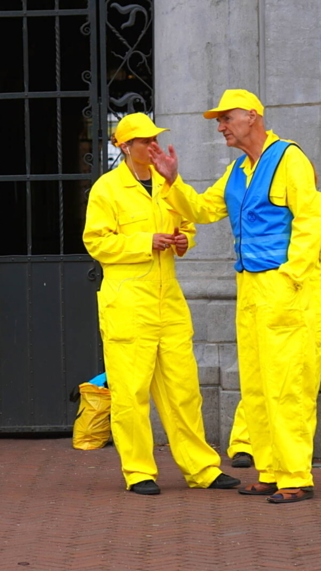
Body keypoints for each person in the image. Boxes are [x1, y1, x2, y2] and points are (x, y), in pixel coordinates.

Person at [149, 90, 321, 503]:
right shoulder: (239, 170)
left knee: (286, 385)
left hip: (281, 285)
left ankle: (296, 475)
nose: (221, 126)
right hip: (249, 286)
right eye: (218, 120)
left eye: (226, 118)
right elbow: (204, 209)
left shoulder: (289, 159)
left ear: (253, 115)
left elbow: (311, 221)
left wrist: (291, 276)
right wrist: (173, 179)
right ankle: (270, 470)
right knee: (258, 385)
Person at [83, 112, 240, 495]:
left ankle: (201, 468)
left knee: (184, 390)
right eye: (143, 141)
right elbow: (96, 242)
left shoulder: (168, 184)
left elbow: (187, 224)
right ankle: (138, 471)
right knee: (130, 394)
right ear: (124, 147)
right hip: (128, 304)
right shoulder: (107, 190)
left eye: (154, 138)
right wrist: (143, 243)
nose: (152, 145)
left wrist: (185, 241)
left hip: (167, 301)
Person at [225, 173, 321, 471]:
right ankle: (248, 443)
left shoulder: (319, 204)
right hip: (271, 295)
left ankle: (290, 462)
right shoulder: (271, 203)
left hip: (306, 301)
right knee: (259, 378)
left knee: (293, 387)